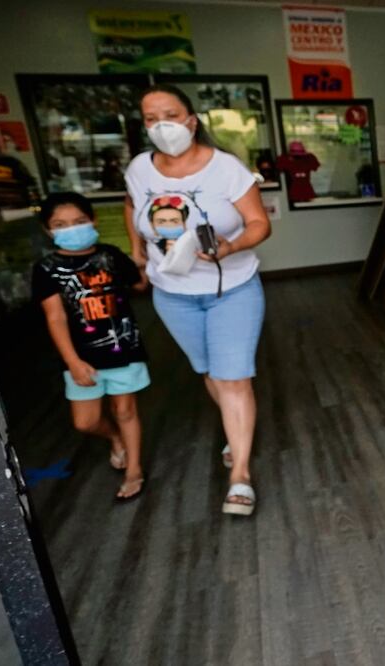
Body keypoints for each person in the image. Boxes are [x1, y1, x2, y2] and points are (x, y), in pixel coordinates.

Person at [123, 84, 271, 517]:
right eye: (151, 118)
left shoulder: (225, 168)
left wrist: (230, 247)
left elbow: (259, 223)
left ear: (191, 119)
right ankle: (234, 427)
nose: (162, 125)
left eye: (171, 114)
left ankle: (240, 475)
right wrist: (136, 251)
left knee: (234, 378)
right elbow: (131, 203)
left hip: (232, 289)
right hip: (174, 296)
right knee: (210, 371)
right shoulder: (139, 168)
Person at [31, 192, 149, 500]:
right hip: (81, 357)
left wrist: (144, 261)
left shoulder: (110, 255)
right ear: (48, 230)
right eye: (61, 224)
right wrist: (72, 361)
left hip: (123, 348)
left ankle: (134, 469)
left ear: (93, 220)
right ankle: (115, 439)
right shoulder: (46, 269)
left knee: (125, 410)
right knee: (86, 422)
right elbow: (55, 318)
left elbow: (138, 284)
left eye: (79, 222)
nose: (71, 229)